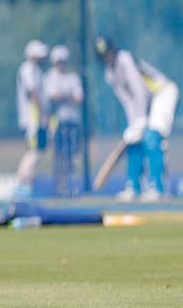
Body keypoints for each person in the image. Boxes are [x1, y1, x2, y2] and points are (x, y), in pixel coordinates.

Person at [94, 35, 178, 201]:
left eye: (108, 52)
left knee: (152, 136)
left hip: (162, 92)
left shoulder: (124, 59)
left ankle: (158, 187)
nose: (107, 57)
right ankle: (133, 186)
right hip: (146, 105)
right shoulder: (109, 74)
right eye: (103, 55)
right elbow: (126, 100)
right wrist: (134, 124)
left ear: (113, 49)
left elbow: (139, 90)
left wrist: (140, 120)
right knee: (134, 140)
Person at [43, 45, 84, 197]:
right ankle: (60, 186)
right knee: (60, 155)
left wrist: (64, 96)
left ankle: (71, 185)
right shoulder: (50, 77)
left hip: (73, 121)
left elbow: (79, 98)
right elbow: (52, 97)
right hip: (58, 122)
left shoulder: (73, 78)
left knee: (72, 155)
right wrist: (68, 96)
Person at [14, 39, 49, 199]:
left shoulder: (36, 70)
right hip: (33, 119)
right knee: (33, 152)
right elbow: (33, 91)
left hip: (36, 118)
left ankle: (28, 185)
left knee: (37, 152)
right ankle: (22, 185)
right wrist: (43, 113)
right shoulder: (28, 69)